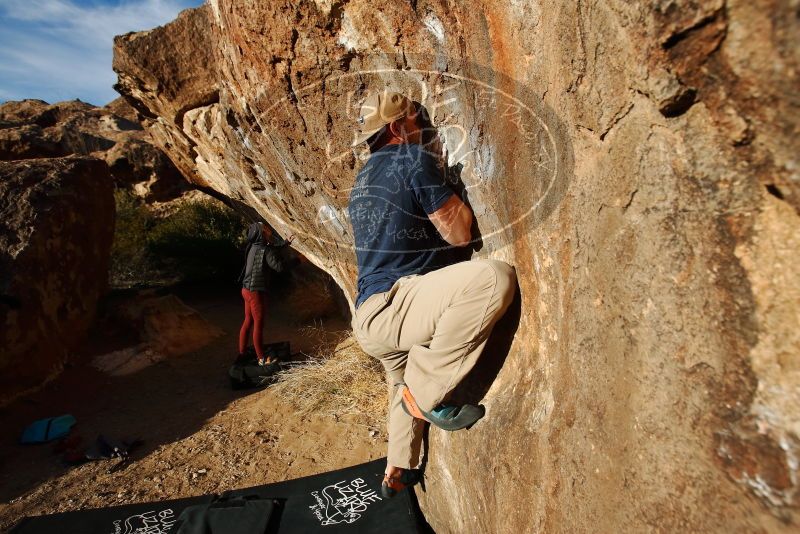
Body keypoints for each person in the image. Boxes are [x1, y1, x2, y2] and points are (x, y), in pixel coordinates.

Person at [348, 90, 516, 498]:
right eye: (419, 120)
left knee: (402, 381)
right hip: (398, 303)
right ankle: (422, 398)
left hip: (370, 319)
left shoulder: (360, 184)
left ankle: (398, 466)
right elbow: (458, 232)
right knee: (493, 278)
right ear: (397, 127)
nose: (427, 129)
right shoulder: (410, 157)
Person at [238, 222, 294, 366]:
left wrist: (285, 243)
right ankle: (262, 359)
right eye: (266, 229)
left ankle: (242, 352)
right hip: (255, 292)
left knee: (248, 321)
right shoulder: (265, 249)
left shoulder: (254, 246)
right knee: (258, 325)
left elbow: (271, 249)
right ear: (261, 234)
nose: (269, 230)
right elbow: (279, 267)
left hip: (245, 290)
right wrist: (298, 261)